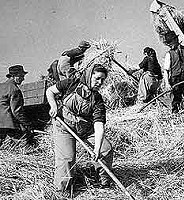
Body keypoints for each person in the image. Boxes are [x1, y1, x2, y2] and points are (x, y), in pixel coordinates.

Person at [46, 64, 113, 195]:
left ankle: (102, 180)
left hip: (85, 129)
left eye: (103, 80)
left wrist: (97, 148)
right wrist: (53, 106)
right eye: (97, 78)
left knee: (106, 149)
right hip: (64, 126)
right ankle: (62, 191)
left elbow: (99, 125)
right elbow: (50, 91)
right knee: (67, 159)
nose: (100, 83)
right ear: (89, 76)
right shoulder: (71, 83)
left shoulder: (97, 100)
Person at [0, 65, 36, 147]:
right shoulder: (14, 89)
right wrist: (27, 124)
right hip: (6, 123)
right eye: (21, 76)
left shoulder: (1, 86)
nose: (23, 79)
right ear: (13, 76)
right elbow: (17, 111)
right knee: (24, 142)